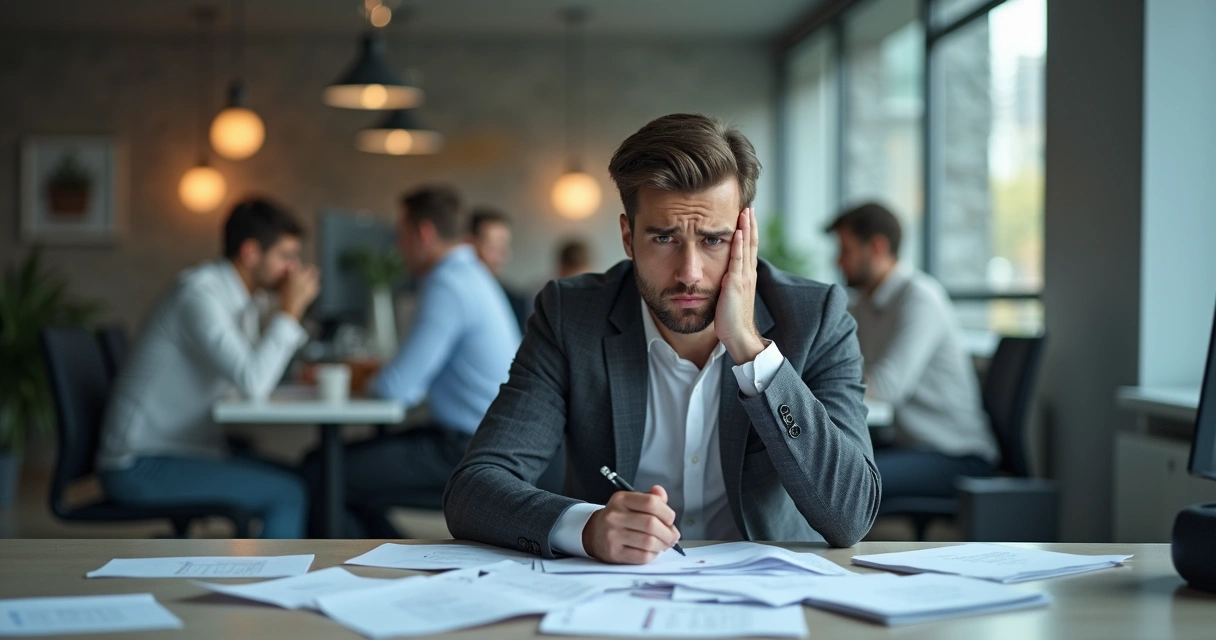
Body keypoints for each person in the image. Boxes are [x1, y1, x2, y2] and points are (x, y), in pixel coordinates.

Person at [445, 113, 880, 563]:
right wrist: (588, 528)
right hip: (614, 593)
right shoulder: (571, 315)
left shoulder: (815, 318)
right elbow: (474, 487)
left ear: (743, 238)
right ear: (629, 237)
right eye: (665, 238)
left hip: (766, 596)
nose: (689, 273)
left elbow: (849, 516)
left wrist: (751, 350)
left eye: (713, 240)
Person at [303, 185, 522, 538]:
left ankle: (360, 574)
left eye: (401, 235)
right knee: (339, 474)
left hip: (470, 449)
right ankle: (381, 564)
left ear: (424, 232)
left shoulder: (447, 283)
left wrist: (361, 375)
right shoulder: (470, 274)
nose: (397, 247)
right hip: (485, 438)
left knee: (322, 472)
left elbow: (397, 389)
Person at [97, 197, 318, 539]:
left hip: (185, 450)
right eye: (285, 256)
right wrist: (289, 313)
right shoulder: (200, 294)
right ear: (250, 253)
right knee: (287, 494)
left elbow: (246, 377)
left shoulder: (245, 299)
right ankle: (271, 589)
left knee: (311, 478)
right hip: (141, 464)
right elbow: (253, 381)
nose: (293, 269)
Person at [824, 203, 998, 504]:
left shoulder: (920, 298)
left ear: (877, 246)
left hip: (956, 456)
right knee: (816, 464)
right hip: (909, 445)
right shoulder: (864, 303)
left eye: (846, 249)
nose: (838, 261)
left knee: (844, 477)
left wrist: (822, 385)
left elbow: (888, 386)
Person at [467, 207, 529, 331]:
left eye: (505, 245)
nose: (504, 255)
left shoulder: (515, 302)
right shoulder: (449, 291)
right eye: (495, 245)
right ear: (469, 244)